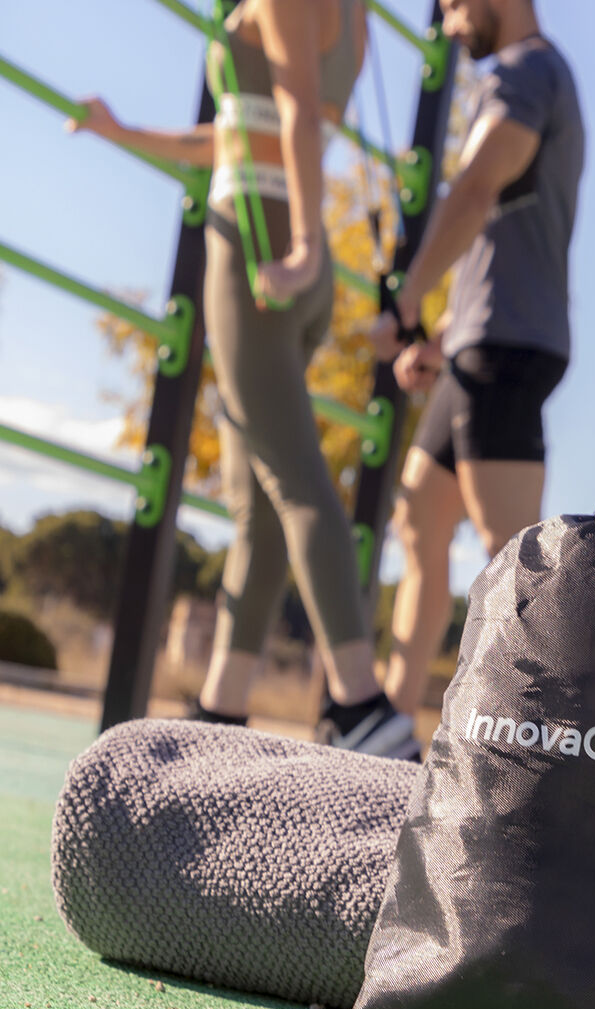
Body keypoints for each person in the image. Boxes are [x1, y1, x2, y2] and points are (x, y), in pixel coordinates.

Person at [69, 0, 418, 759]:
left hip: (262, 242)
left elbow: (297, 116)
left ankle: (362, 704)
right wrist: (120, 131)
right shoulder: (354, 17)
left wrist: (303, 244)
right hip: (287, 241)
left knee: (295, 483)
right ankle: (223, 707)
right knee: (256, 504)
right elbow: (242, 133)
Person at [371, 0, 585, 731]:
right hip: (478, 343)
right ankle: (389, 724)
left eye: (456, 4)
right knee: (419, 519)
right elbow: (493, 236)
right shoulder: (527, 75)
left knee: (516, 558)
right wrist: (440, 338)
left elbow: (474, 191)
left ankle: (534, 739)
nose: (450, 21)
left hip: (508, 345)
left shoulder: (527, 72)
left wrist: (408, 300)